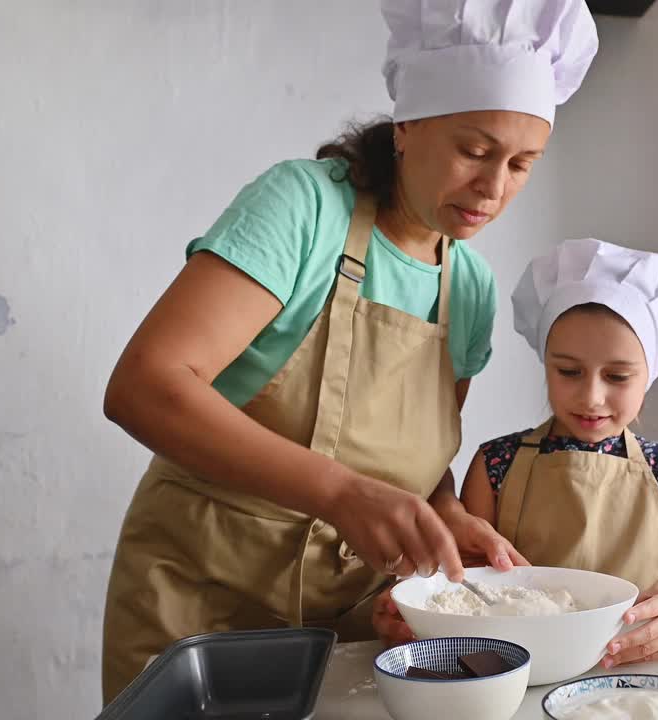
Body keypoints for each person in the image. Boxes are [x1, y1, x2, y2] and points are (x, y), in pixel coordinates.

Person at [99, 0, 599, 703]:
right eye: (474, 151)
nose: (494, 188)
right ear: (408, 127)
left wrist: (447, 513)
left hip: (353, 629)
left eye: (521, 164)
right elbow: (144, 387)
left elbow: (418, 461)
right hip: (201, 608)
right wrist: (338, 491)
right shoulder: (304, 208)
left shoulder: (470, 288)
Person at [416, 238, 658, 666]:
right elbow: (463, 593)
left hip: (633, 684)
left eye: (617, 375)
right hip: (521, 677)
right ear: (545, 362)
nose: (592, 397)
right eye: (568, 371)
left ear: (650, 375)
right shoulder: (495, 465)